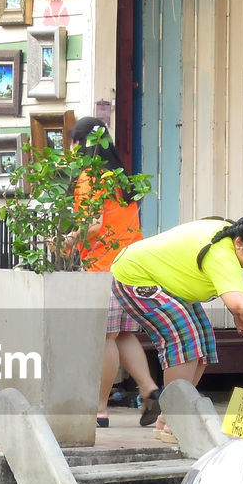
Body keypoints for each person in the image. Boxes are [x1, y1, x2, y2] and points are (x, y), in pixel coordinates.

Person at [110, 214, 243, 440]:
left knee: (203, 341)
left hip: (166, 283)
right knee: (184, 337)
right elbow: (239, 303)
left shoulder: (230, 240)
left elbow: (234, 299)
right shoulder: (222, 253)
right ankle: (176, 420)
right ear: (239, 243)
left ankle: (168, 417)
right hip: (135, 276)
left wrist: (238, 313)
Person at [65, 117, 154, 429]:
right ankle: (149, 390)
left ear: (79, 143)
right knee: (124, 334)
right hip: (132, 265)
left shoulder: (90, 176)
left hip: (104, 268)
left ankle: (99, 409)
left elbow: (93, 224)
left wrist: (68, 240)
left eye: (71, 142)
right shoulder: (119, 177)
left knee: (105, 336)